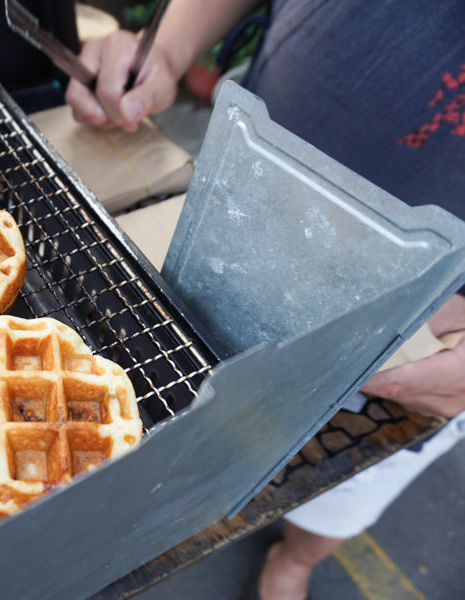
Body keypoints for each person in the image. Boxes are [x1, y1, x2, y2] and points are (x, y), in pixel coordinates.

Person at [65, 1, 465, 598]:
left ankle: (298, 556)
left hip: (428, 322)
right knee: (193, 406)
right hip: (236, 213)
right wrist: (168, 48)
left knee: (341, 497)